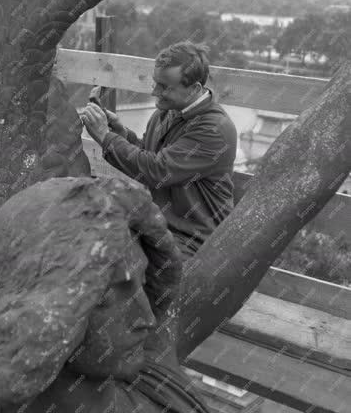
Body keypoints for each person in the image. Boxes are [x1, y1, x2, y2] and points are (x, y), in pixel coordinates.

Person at [80, 41, 237, 259]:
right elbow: (149, 153)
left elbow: (158, 171)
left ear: (194, 89)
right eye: (156, 83)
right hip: (159, 226)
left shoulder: (214, 130)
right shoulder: (168, 111)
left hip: (194, 241)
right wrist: (121, 133)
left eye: (164, 87)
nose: (155, 92)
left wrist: (105, 138)